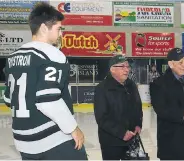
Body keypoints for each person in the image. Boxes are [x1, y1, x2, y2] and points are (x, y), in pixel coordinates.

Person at [2, 2, 87, 160]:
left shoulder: (12, 58)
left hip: (23, 141)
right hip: (52, 139)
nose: (61, 34)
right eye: (58, 28)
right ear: (43, 28)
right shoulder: (52, 54)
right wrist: (73, 128)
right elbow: (48, 100)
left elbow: (8, 99)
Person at [93, 55, 143, 160]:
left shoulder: (131, 85)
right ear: (112, 69)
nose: (126, 69)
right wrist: (122, 133)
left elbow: (138, 107)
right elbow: (101, 118)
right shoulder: (102, 89)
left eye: (128, 66)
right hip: (111, 142)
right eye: (122, 66)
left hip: (132, 139)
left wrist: (138, 124)